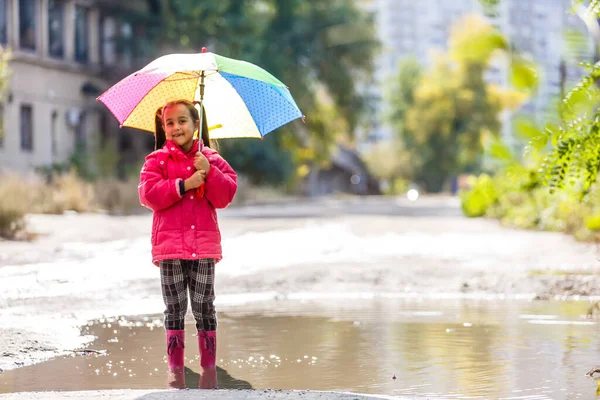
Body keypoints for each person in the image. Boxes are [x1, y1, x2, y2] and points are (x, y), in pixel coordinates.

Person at [139, 99, 237, 389]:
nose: (175, 127)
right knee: (175, 307)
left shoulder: (210, 158)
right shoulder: (155, 161)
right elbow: (149, 195)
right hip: (169, 248)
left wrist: (209, 171)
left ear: (196, 124)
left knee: (204, 305)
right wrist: (185, 184)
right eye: (169, 123)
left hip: (203, 247)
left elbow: (225, 196)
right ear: (163, 129)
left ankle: (208, 367)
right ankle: (175, 367)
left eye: (182, 121)